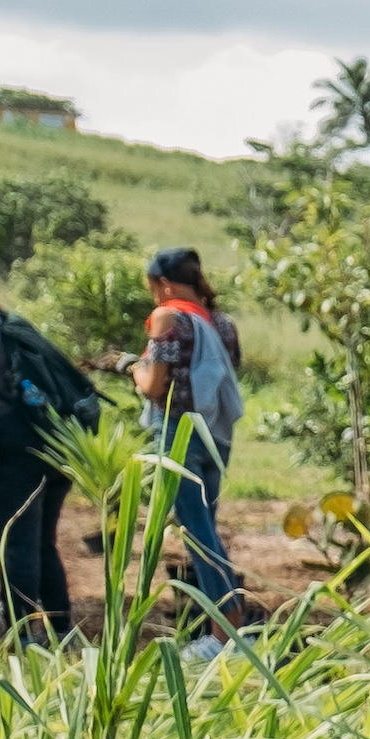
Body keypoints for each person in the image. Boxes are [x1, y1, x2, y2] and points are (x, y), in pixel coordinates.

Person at [128, 248, 245, 612]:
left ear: (163, 284)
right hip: (216, 435)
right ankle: (224, 623)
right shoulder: (222, 323)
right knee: (205, 526)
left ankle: (227, 628)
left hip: (178, 434)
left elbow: (153, 386)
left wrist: (131, 367)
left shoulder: (167, 317)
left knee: (198, 533)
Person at [0, 279, 90, 635]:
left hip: (6, 451)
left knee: (16, 542)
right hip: (53, 441)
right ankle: (59, 630)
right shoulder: (1, 322)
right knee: (40, 542)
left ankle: (25, 635)